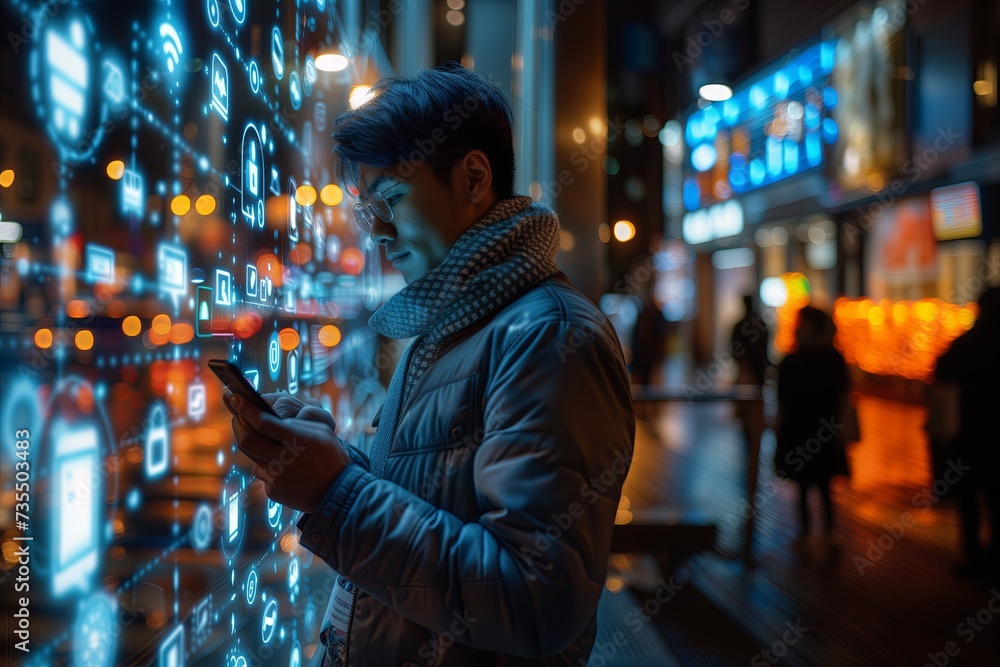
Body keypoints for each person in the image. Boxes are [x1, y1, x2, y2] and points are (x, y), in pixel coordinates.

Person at [223, 63, 636, 666]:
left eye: (391, 199)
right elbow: (438, 505)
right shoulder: (456, 322)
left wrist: (337, 492)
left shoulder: (549, 337)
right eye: (370, 212)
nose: (380, 233)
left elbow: (537, 602)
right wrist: (333, 461)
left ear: (473, 178)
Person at [934, 286, 1000, 579]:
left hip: (971, 433)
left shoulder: (971, 342)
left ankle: (973, 557)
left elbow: (942, 370)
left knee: (969, 498)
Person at [773, 306, 850, 548]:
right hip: (825, 429)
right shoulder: (834, 359)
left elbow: (782, 400)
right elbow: (843, 396)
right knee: (823, 483)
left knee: (805, 483)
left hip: (799, 429)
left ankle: (807, 534)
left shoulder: (791, 361)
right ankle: (828, 533)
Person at [730, 294, 770, 559]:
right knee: (756, 418)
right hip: (758, 382)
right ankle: (754, 446)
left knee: (747, 420)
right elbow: (765, 354)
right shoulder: (763, 324)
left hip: (746, 380)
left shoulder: (738, 325)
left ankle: (750, 443)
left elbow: (733, 351)